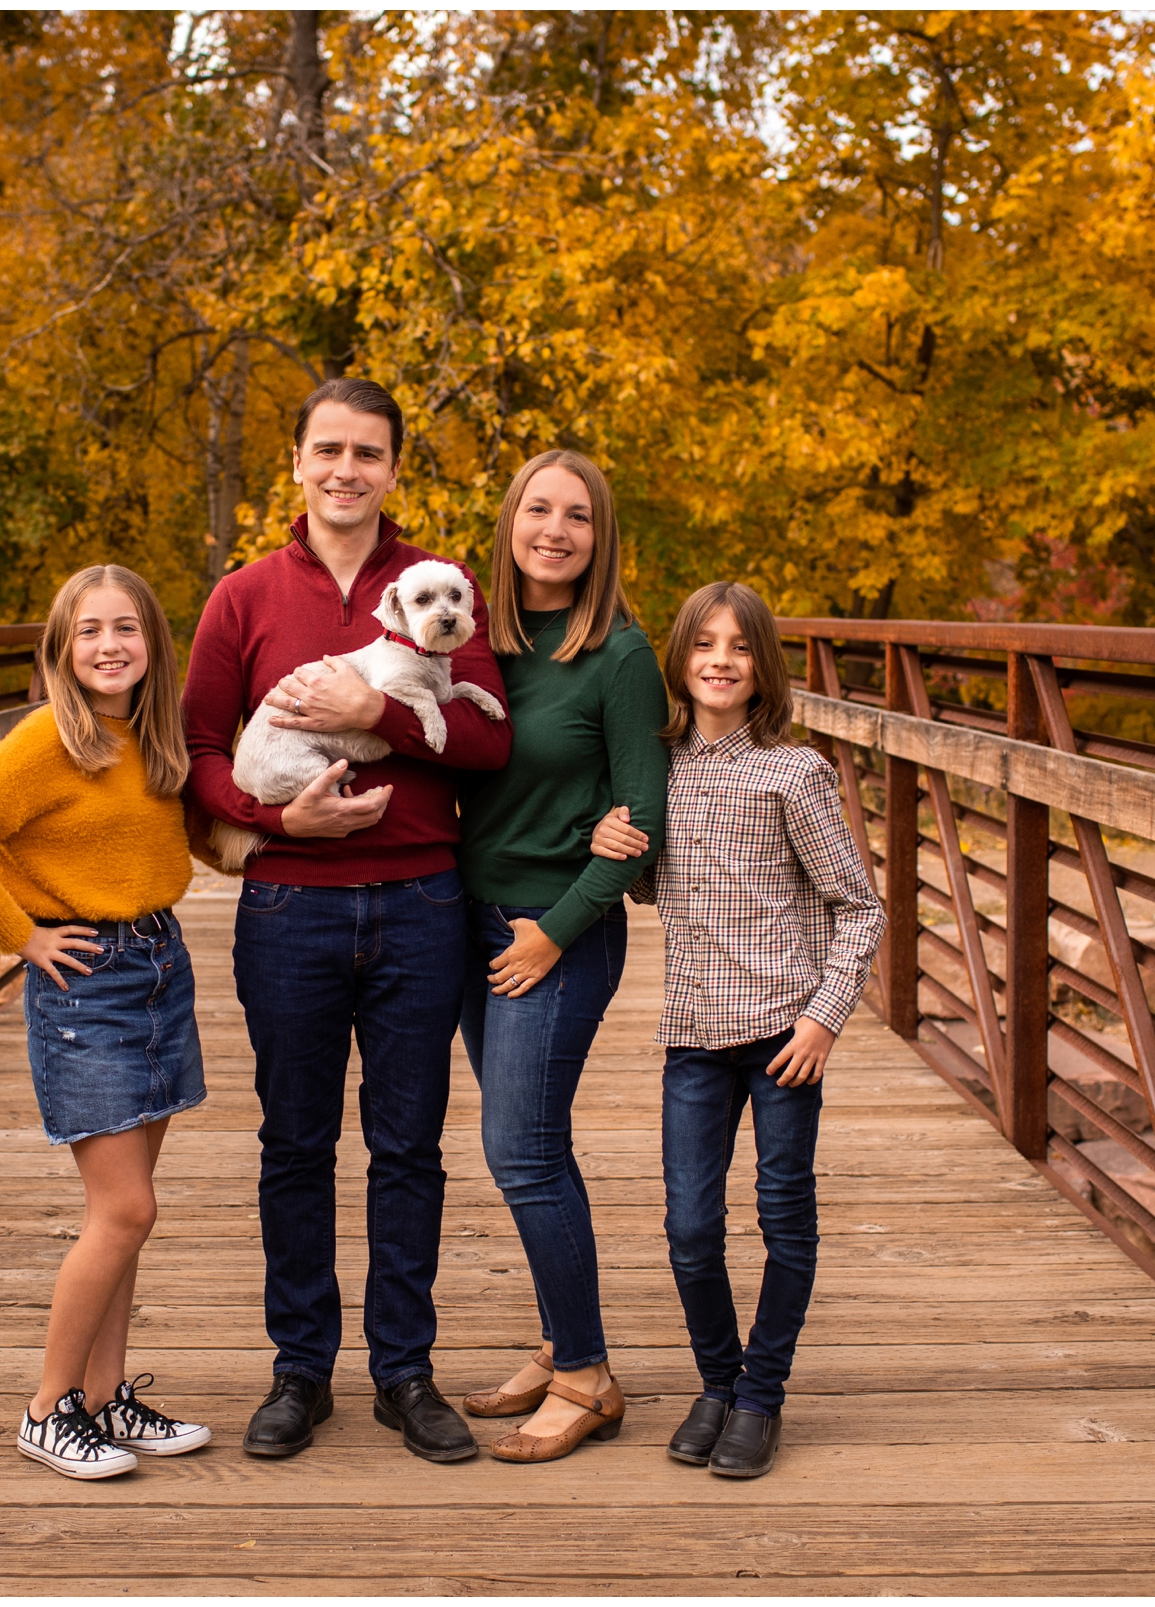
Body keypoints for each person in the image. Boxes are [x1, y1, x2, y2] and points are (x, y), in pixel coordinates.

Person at [183, 377, 513, 1463]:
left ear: (393, 469)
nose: (346, 469)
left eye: (368, 453)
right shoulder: (244, 597)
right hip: (291, 906)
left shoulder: (439, 584)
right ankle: (299, 1371)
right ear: (295, 460)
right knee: (295, 1141)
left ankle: (404, 1371)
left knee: (409, 1145)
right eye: (328, 448)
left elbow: (487, 746)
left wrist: (376, 712)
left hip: (423, 899)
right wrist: (274, 820)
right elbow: (196, 748)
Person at [0, 564, 213, 1481]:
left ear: (155, 645)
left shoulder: (150, 737)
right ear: (60, 648)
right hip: (90, 984)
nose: (110, 645)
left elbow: (178, 838)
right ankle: (48, 1409)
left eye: (127, 627)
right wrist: (23, 936)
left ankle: (103, 1398)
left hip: (160, 965)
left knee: (121, 1217)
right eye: (89, 630)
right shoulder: (51, 737)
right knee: (126, 1208)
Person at [588, 581, 883, 1478]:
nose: (720, 660)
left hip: (785, 1034)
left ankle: (761, 1396)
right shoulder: (655, 770)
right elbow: (652, 887)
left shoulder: (795, 773)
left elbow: (859, 907)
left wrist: (825, 1018)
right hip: (692, 1034)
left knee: (783, 1214)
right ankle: (717, 1381)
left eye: (741, 647)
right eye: (704, 644)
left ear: (764, 667)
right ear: (679, 659)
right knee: (689, 1225)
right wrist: (612, 846)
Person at [451, 450, 669, 1463]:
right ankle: (557, 1339)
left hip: (555, 929)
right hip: (469, 922)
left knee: (521, 1148)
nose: (554, 529)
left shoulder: (619, 655)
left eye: (576, 515)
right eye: (537, 509)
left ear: (599, 536)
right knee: (527, 1143)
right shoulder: (471, 639)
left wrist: (556, 928)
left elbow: (646, 812)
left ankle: (586, 1374)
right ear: (508, 524)